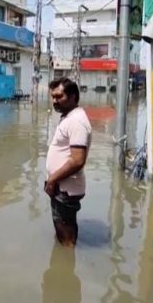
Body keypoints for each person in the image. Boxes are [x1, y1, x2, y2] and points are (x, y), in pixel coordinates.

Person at [45, 78, 92, 247]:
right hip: (61, 186)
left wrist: (52, 179)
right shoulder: (69, 117)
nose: (55, 101)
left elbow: (78, 160)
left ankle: (66, 264)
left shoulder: (76, 121)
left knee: (66, 234)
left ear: (73, 96)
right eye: (53, 97)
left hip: (65, 189)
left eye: (59, 97)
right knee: (62, 226)